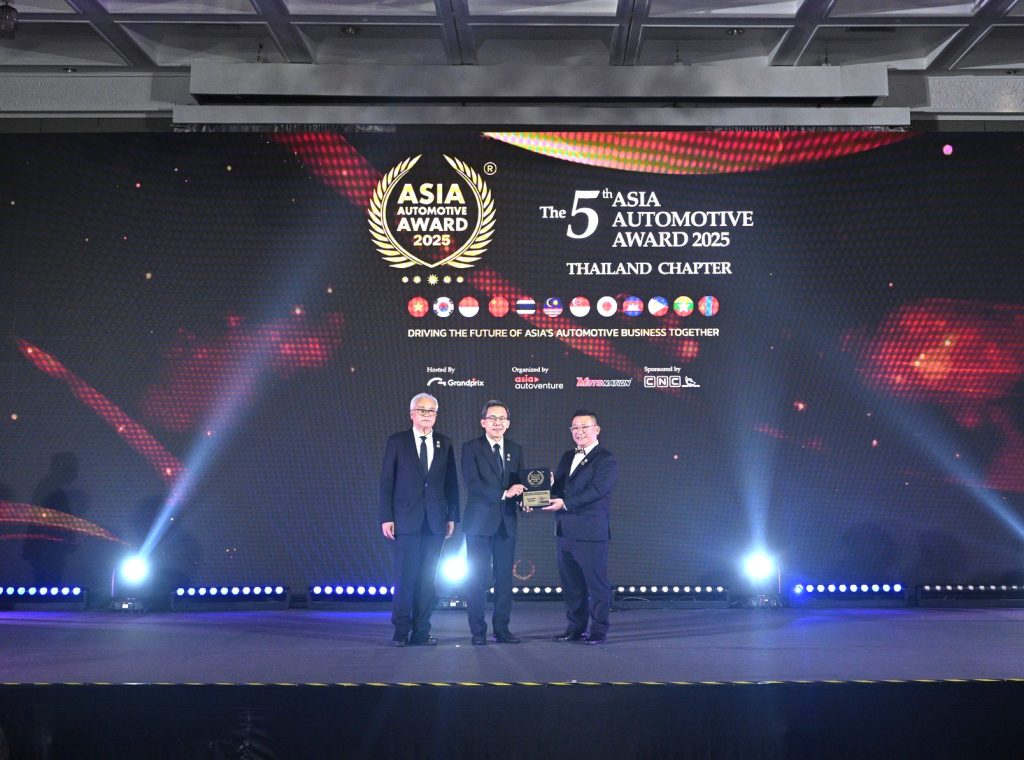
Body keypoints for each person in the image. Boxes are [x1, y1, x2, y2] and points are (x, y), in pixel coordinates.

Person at [379, 393, 459, 646]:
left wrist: (452, 516)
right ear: (412, 413)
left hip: (435, 521)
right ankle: (401, 631)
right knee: (405, 577)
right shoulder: (397, 441)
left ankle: (421, 631)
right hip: (405, 520)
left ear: (436, 415)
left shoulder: (445, 443)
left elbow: (451, 483)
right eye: (422, 410)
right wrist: (386, 517)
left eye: (431, 411)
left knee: (428, 580)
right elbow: (387, 482)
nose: (426, 415)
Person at [540, 409, 618, 645]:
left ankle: (599, 629)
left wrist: (565, 503)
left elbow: (597, 490)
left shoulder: (606, 459)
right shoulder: (567, 456)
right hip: (565, 531)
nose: (579, 431)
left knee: (596, 585)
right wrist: (546, 489)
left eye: (584, 427)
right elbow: (560, 491)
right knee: (571, 585)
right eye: (575, 427)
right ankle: (575, 628)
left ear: (597, 430)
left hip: (590, 532)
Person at [461, 400, 525, 645]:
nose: (498, 423)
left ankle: (502, 629)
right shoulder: (471, 448)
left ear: (508, 423)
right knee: (477, 579)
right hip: (479, 524)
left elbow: (519, 484)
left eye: (502, 419)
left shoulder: (515, 449)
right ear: (483, 422)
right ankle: (478, 632)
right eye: (492, 418)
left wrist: (526, 501)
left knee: (504, 579)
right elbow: (473, 484)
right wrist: (504, 494)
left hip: (506, 524)